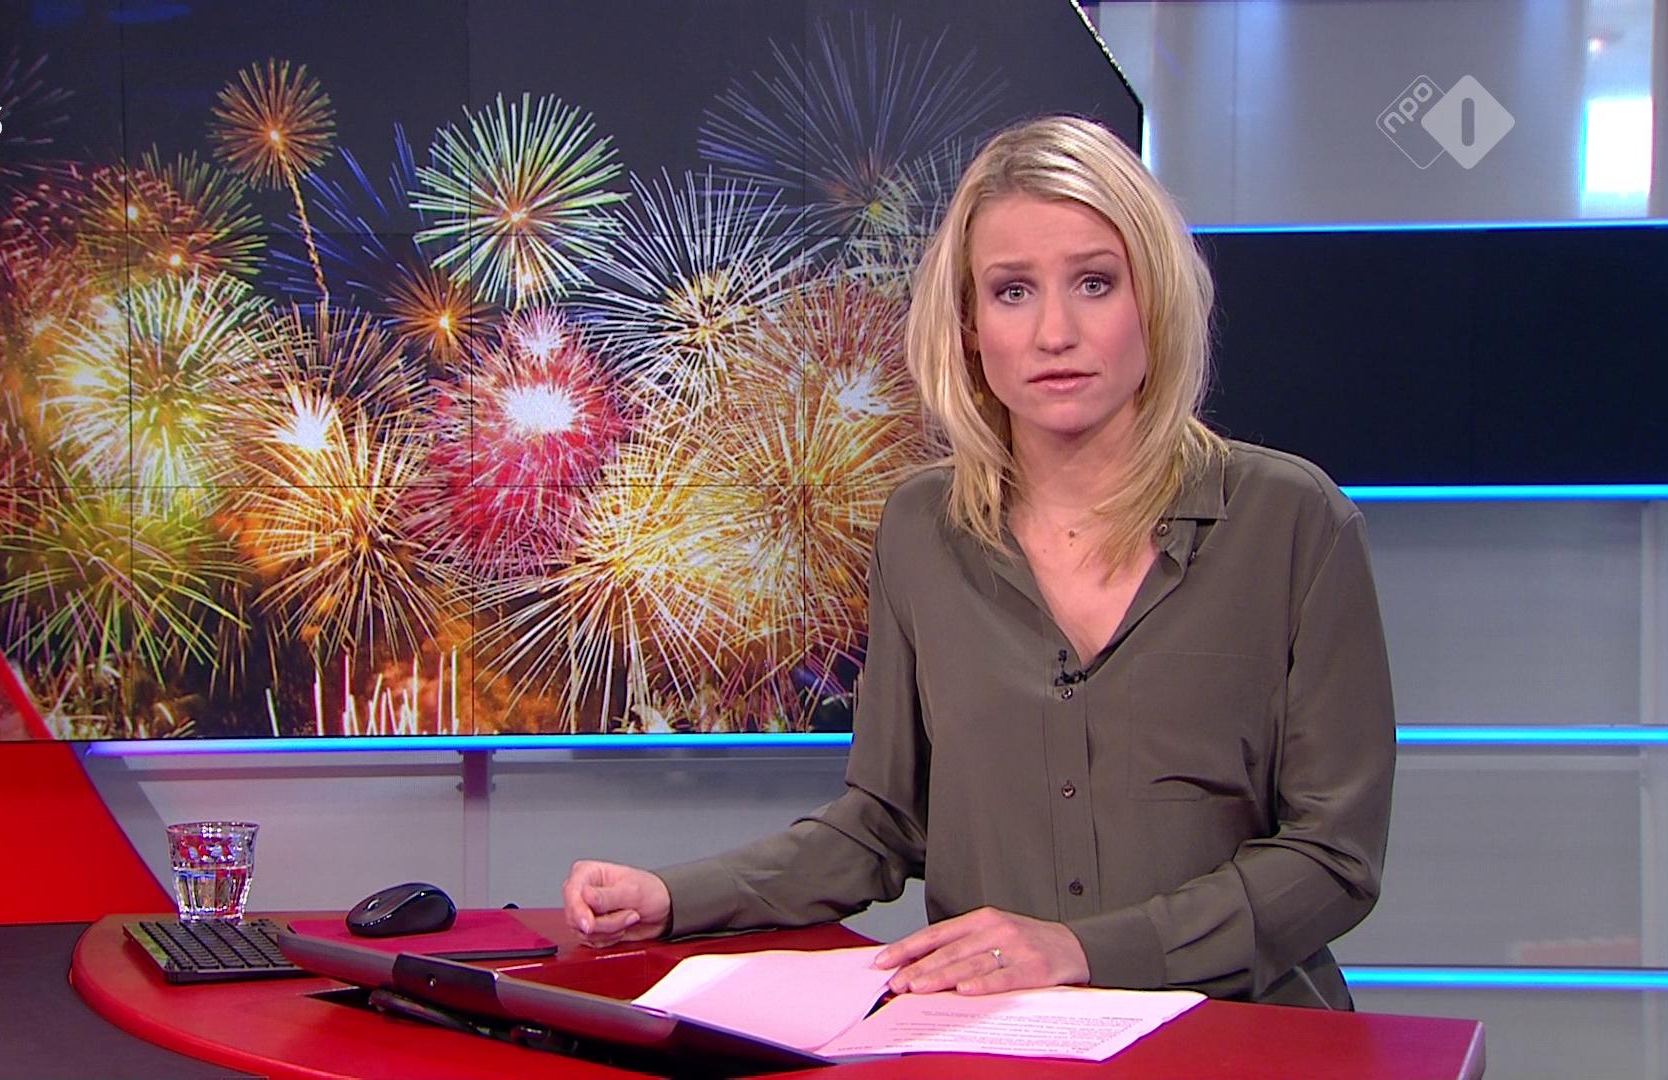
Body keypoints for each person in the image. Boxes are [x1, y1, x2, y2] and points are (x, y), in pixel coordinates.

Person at [561, 114, 1395, 1009]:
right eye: (1012, 291)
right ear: (966, 324)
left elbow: (1333, 858)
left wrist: (1085, 951)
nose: (1054, 332)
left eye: (1095, 282)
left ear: (1154, 299)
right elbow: (883, 824)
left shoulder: (1291, 521)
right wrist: (675, 897)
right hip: (998, 1041)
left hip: (1239, 1039)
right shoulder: (921, 531)